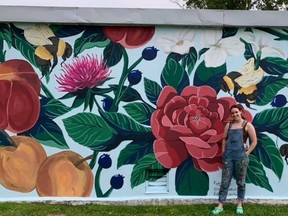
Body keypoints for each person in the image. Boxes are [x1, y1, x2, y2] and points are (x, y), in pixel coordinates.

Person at [211, 104, 257, 215]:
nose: (234, 114)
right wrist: (223, 151)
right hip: (228, 157)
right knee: (224, 182)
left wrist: (246, 153)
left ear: (241, 111)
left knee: (241, 182)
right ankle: (220, 205)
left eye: (236, 112)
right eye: (232, 113)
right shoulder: (229, 125)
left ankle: (240, 204)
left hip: (241, 158)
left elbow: (254, 141)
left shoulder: (247, 125)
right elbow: (224, 139)